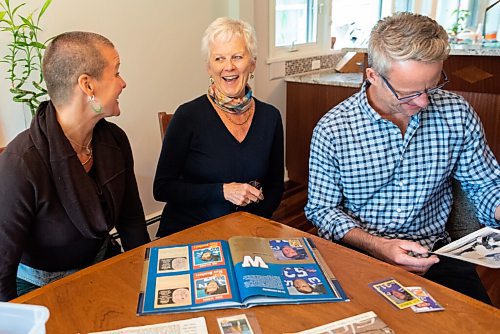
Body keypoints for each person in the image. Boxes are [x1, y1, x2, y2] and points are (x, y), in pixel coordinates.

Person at [305, 12, 499, 304]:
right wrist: (378, 246)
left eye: (432, 87)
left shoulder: (456, 113)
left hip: (435, 254)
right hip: (361, 253)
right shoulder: (334, 129)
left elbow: (485, 186)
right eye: (409, 94)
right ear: (373, 76)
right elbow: (322, 211)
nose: (423, 102)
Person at [0, 32, 150, 301]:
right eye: (116, 72)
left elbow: (131, 221)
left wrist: (151, 282)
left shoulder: (115, 140)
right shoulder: (21, 163)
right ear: (87, 85)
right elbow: (1, 269)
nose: (123, 83)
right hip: (40, 290)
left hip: (105, 265)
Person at [153, 17, 284, 237]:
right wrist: (222, 191)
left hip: (246, 233)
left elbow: (276, 186)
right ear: (209, 67)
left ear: (252, 63)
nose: (228, 66)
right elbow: (163, 188)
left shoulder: (270, 117)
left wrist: (251, 224)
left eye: (237, 57)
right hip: (190, 232)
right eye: (219, 58)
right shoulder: (187, 116)